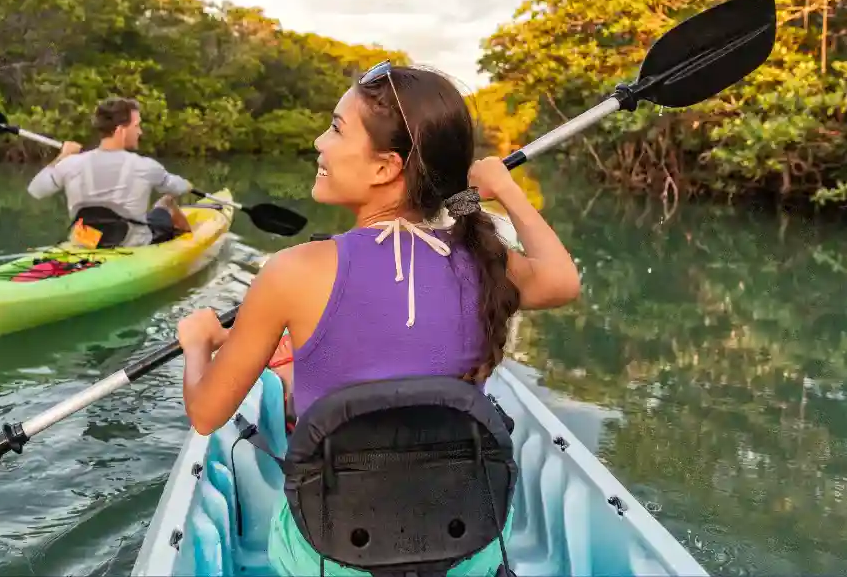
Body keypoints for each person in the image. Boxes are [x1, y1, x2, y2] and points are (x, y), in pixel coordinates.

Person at [174, 61, 582, 575]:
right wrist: (506, 189)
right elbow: (563, 281)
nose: (320, 143)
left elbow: (207, 414)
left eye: (337, 129)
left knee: (297, 387)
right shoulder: (485, 258)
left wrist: (197, 341)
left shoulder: (292, 271)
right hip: (463, 549)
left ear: (386, 167)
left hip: (332, 556)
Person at [27, 96, 193, 247]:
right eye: (136, 126)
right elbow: (179, 188)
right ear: (121, 130)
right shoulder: (146, 166)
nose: (140, 132)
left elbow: (36, 189)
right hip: (132, 244)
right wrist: (188, 184)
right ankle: (188, 241)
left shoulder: (70, 163)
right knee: (166, 202)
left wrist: (62, 156)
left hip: (86, 242)